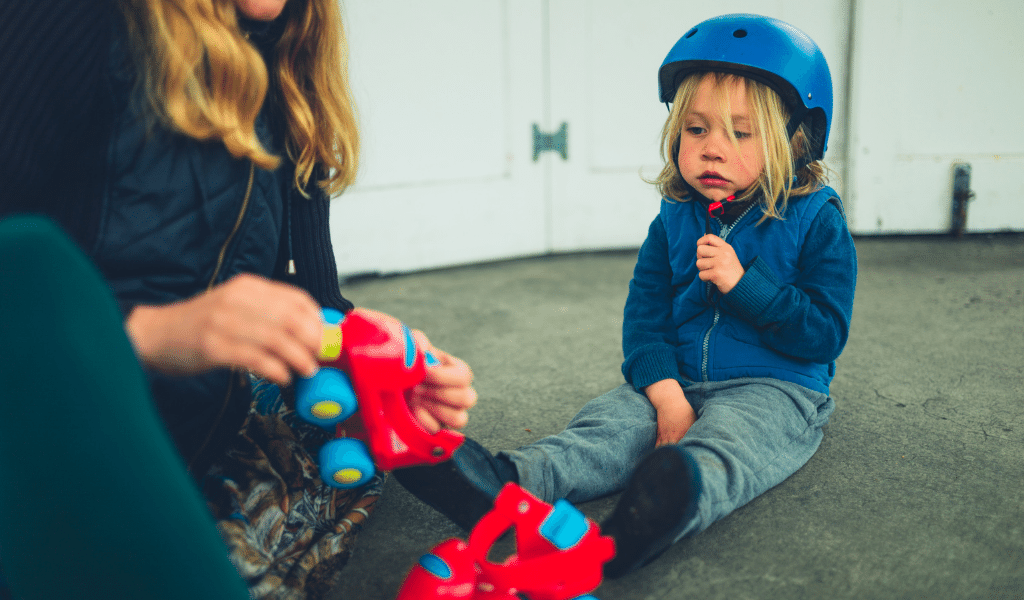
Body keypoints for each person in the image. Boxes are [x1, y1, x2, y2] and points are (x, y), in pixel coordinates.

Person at [0, 0, 476, 598]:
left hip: (194, 431)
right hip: (49, 444)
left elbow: (314, 300)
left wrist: (362, 364)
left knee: (354, 457)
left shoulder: (285, 53)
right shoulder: (66, 18)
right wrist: (151, 334)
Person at [395, 13, 857, 579]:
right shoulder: (674, 218)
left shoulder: (816, 220)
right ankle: (503, 482)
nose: (713, 149)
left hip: (776, 387)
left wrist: (746, 287)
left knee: (728, 446)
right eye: (696, 129)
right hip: (675, 374)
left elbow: (824, 334)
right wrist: (665, 395)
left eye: (740, 132)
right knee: (608, 430)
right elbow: (645, 320)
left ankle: (654, 515)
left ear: (797, 138)